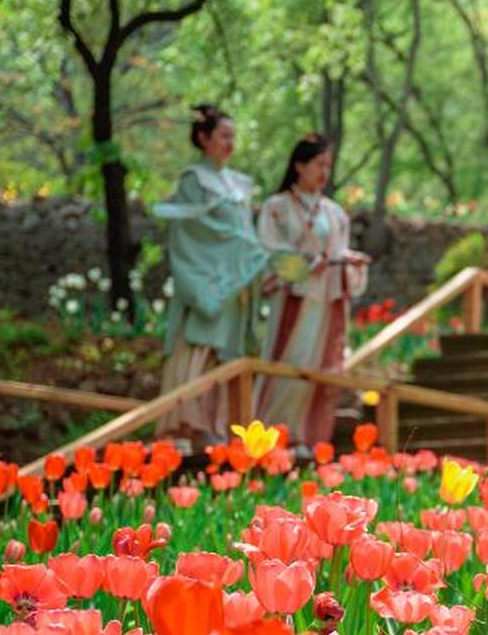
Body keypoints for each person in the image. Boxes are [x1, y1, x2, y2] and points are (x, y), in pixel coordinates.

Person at [153, 104, 267, 442]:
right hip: (210, 279)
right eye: (223, 136)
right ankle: (187, 425)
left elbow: (244, 232)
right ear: (203, 138)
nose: (229, 143)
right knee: (200, 347)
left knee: (229, 352)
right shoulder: (193, 180)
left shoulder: (239, 184)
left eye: (233, 137)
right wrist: (243, 249)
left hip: (238, 283)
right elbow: (195, 232)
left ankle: (223, 427)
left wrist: (249, 255)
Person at [253, 134, 370, 447]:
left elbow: (338, 251)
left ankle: (308, 436)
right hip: (294, 300)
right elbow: (268, 252)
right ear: (299, 165)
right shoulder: (276, 208)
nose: (324, 172)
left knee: (320, 369)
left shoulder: (334, 213)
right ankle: (272, 433)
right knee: (288, 365)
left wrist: (349, 260)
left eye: (328, 166)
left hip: (326, 301)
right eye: (319, 164)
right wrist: (304, 264)